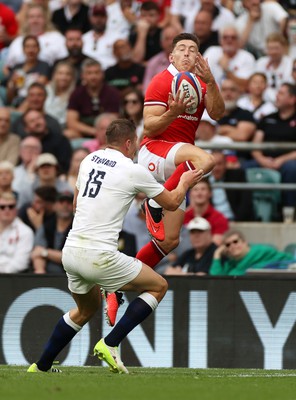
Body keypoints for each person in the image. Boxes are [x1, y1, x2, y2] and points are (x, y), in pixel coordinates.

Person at [27, 118, 204, 373]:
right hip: (100, 256)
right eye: (136, 145)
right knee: (158, 286)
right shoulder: (132, 170)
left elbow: (77, 206)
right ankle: (111, 343)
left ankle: (41, 366)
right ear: (129, 143)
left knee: (85, 309)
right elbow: (173, 202)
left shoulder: (89, 160)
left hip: (71, 251)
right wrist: (185, 181)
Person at [103, 32, 224, 325]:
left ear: (198, 58)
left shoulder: (198, 83)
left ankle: (116, 284)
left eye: (192, 50)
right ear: (171, 57)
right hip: (155, 152)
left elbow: (218, 113)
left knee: (169, 241)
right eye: (181, 49)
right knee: (206, 159)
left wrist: (211, 81)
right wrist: (174, 112)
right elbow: (152, 127)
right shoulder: (161, 80)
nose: (186, 53)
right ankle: (156, 206)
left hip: (178, 163)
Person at [247, 83, 296, 207]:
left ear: (292, 99)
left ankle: (288, 210)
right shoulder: (267, 119)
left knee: (292, 169)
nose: (277, 97)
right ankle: (246, 212)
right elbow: (255, 145)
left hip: (288, 161)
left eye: (281, 93)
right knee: (240, 169)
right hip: (264, 159)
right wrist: (261, 159)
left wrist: (281, 160)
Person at [66, 59, 121, 139]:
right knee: (68, 133)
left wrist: (101, 132)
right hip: (83, 133)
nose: (93, 77)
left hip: (107, 133)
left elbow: (113, 120)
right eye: (89, 73)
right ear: (82, 75)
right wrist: (94, 131)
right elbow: (71, 122)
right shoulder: (76, 93)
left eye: (96, 73)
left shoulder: (112, 93)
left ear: (102, 74)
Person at [209, 229, 294, 276]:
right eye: (227, 245)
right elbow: (216, 280)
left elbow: (239, 274)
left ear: (245, 242)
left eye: (235, 242)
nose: (232, 246)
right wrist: (217, 255)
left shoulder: (259, 251)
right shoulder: (230, 264)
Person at [31, 190, 74, 274]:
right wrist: (40, 273)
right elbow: (37, 253)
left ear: (74, 205)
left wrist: (46, 252)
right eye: (61, 202)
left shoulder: (78, 227)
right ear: (55, 205)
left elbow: (73, 259)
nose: (65, 205)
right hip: (47, 275)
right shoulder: (46, 226)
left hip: (72, 275)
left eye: (69, 202)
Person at [203, 25, 256, 91]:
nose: (229, 40)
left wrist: (227, 70)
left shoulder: (247, 57)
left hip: (239, 99)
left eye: (233, 37)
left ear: (239, 40)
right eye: (225, 37)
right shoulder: (212, 52)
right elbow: (202, 76)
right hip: (213, 94)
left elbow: (246, 86)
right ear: (220, 40)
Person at [5, 35, 51, 107]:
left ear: (39, 49)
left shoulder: (44, 66)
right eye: (28, 47)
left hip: (35, 103)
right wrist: (12, 84)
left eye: (34, 46)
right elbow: (9, 98)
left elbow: (41, 87)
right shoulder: (17, 67)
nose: (31, 50)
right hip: (17, 101)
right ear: (23, 49)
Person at [209, 151, 254, 221]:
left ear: (225, 164)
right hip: (212, 222)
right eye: (213, 165)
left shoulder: (237, 176)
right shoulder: (204, 181)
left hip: (234, 221)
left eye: (219, 164)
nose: (216, 168)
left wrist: (237, 222)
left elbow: (246, 202)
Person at [184, 179, 229, 245]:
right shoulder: (184, 216)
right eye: (195, 189)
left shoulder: (219, 218)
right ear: (190, 194)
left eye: (203, 189)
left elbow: (216, 245)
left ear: (210, 193)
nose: (199, 193)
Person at [0, 191, 34, 273]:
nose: (7, 210)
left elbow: (20, 263)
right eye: (2, 207)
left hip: (12, 279)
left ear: (16, 209)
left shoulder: (25, 231)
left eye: (11, 206)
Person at [44, 61, 76, 128]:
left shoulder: (75, 95)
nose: (63, 77)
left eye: (68, 74)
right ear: (54, 75)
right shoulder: (46, 89)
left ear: (72, 77)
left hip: (60, 128)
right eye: (60, 73)